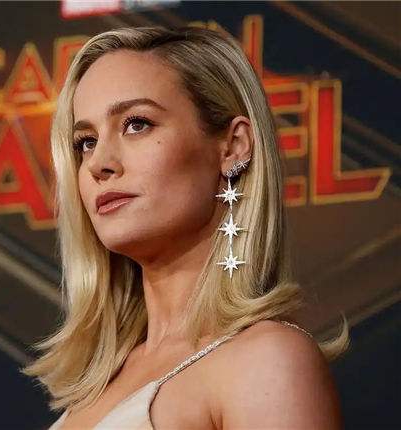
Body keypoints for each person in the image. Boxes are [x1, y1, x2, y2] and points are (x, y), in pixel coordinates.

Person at [22, 25, 349, 429]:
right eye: (86, 141)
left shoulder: (266, 361)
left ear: (233, 147)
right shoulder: (93, 387)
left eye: (136, 124)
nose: (98, 164)